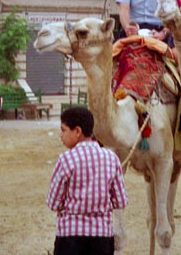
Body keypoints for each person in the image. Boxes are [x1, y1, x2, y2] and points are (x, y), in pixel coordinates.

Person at [47, 106, 128, 255]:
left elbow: (53, 203)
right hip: (102, 239)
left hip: (69, 239)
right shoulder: (112, 159)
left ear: (77, 131)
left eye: (63, 130)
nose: (60, 135)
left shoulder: (65, 160)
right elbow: (121, 201)